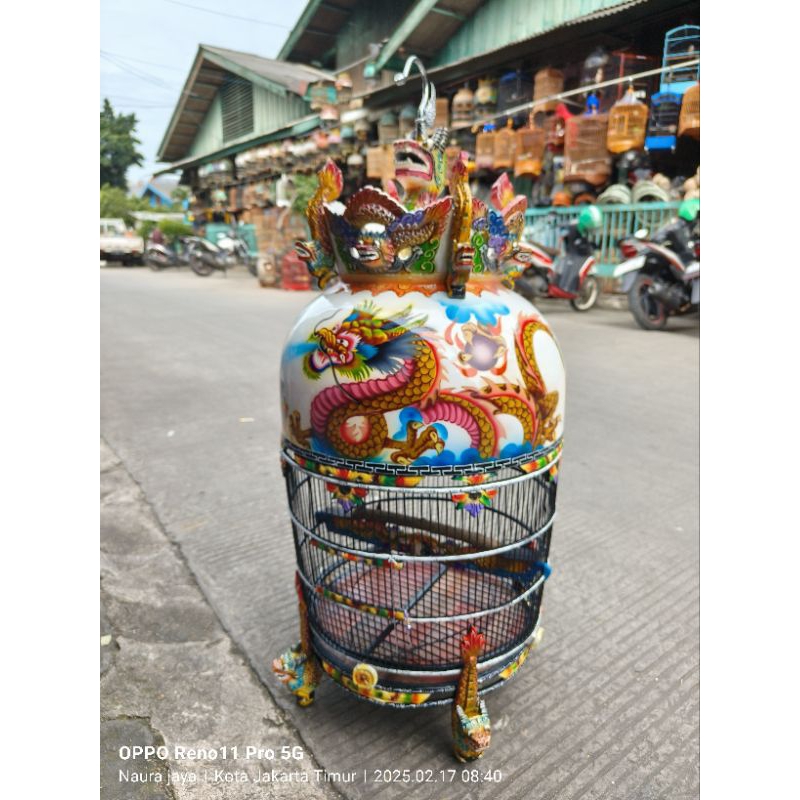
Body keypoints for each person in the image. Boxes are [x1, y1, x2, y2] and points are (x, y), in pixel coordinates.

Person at [556, 205, 602, 293]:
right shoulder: (574, 228)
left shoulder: (580, 227)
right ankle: (567, 287)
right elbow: (576, 245)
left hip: (574, 251)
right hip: (571, 253)